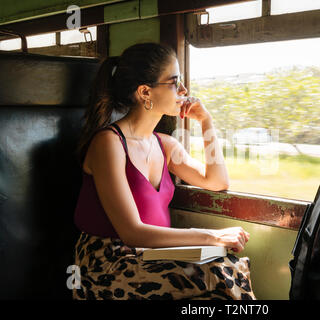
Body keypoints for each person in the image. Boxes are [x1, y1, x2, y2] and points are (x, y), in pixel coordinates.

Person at [72, 42, 255, 300]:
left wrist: (207, 121)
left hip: (151, 257)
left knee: (228, 270)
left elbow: (217, 181)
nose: (184, 91)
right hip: (108, 264)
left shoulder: (166, 145)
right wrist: (212, 237)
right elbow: (131, 232)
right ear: (145, 92)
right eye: (174, 82)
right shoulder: (109, 144)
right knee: (216, 272)